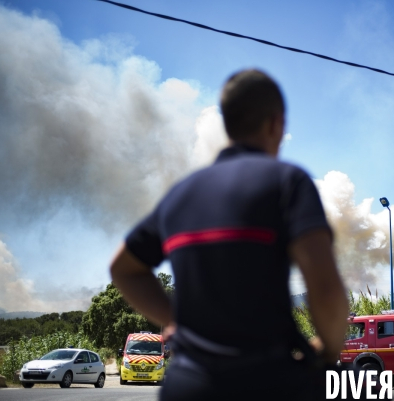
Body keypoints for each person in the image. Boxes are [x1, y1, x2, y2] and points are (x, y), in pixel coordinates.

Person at [110, 69, 350, 400]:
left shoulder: (179, 195)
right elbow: (326, 290)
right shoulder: (287, 183)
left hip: (185, 386)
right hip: (267, 382)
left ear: (227, 123)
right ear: (276, 123)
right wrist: (326, 351)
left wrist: (178, 319)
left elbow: (122, 269)